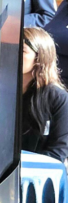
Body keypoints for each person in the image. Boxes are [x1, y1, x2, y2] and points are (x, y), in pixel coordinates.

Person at [21, 27, 68, 161]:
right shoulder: (2, 91)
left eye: (22, 50)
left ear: (39, 57)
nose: (13, 53)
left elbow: (57, 153)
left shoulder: (58, 99)